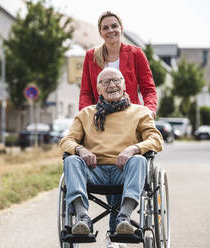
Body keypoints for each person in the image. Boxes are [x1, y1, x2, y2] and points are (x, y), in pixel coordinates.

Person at [60, 68, 163, 242]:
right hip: (94, 172)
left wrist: (133, 149)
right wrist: (80, 150)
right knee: (71, 160)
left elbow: (156, 140)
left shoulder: (140, 112)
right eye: (105, 82)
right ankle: (83, 218)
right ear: (98, 89)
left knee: (139, 160)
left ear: (124, 85)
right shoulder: (86, 114)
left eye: (116, 80)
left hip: (125, 171)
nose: (112, 85)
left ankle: (124, 218)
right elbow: (66, 141)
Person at [79, 11, 157, 119]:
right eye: (105, 28)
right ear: (100, 32)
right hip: (100, 118)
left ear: (121, 28)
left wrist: (150, 109)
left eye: (114, 26)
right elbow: (86, 92)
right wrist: (86, 114)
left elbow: (148, 89)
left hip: (131, 117)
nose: (110, 30)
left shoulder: (136, 53)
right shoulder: (91, 56)